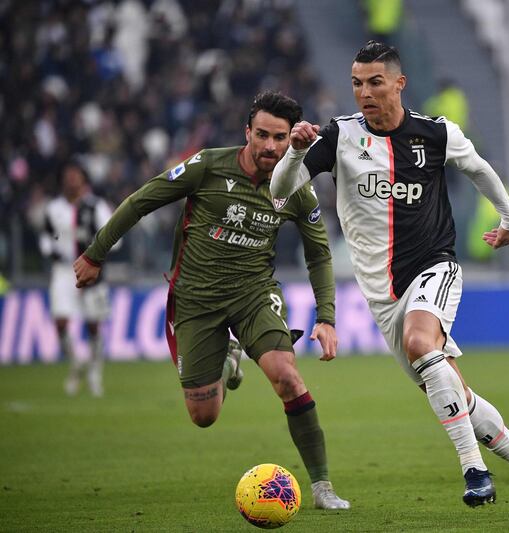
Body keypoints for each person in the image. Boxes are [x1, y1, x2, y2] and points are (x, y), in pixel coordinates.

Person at [269, 40, 509, 515]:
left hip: (434, 266)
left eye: (375, 82)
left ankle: (474, 470)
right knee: (455, 394)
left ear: (399, 83)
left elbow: (479, 169)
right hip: (382, 297)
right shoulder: (339, 136)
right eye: (357, 83)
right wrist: (297, 154)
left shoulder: (436, 133)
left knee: (423, 345)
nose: (364, 92)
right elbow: (280, 192)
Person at [73, 91, 349, 510]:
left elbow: (319, 254)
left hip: (254, 293)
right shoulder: (207, 165)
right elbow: (142, 200)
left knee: (287, 377)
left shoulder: (296, 187)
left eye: (279, 137)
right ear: (247, 132)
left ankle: (323, 487)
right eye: (262, 135)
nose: (270, 147)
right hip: (196, 298)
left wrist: (326, 317)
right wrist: (96, 254)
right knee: (204, 416)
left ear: (290, 139)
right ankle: (228, 357)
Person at [40, 160, 114, 397]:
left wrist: (95, 258)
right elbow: (45, 237)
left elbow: (113, 234)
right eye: (68, 174)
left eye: (75, 174)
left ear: (84, 178)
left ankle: (94, 373)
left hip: (92, 269)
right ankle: (76, 363)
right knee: (60, 321)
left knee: (93, 324)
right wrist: (52, 250)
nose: (71, 179)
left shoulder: (96, 207)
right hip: (63, 270)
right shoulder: (53, 208)